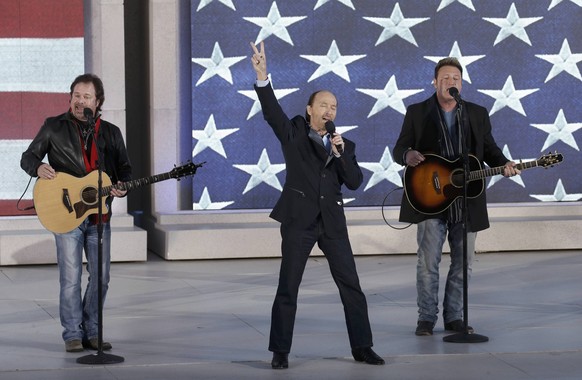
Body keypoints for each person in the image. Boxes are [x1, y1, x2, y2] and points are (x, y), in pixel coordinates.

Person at [250, 41, 384, 369]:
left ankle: (362, 346)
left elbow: (354, 181)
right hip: (299, 219)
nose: (329, 111)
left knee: (351, 285)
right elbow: (272, 113)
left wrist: (339, 154)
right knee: (289, 286)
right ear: (310, 109)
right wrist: (263, 77)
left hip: (332, 222)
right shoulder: (294, 131)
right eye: (323, 104)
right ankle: (280, 351)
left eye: (334, 107)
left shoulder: (344, 143)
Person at [392, 58, 520, 336]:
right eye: (446, 78)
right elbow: (399, 148)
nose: (451, 82)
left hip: (466, 200)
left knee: (464, 263)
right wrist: (407, 155)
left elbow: (489, 150)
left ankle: (454, 318)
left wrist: (506, 163)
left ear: (461, 84)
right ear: (435, 82)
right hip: (429, 198)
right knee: (428, 262)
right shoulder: (417, 111)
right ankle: (426, 318)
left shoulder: (475, 113)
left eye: (456, 79)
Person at [20, 73, 132, 352]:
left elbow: (125, 169)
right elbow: (28, 156)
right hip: (66, 215)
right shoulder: (53, 127)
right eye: (77, 96)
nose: (81, 101)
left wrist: (123, 187)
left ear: (98, 102)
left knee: (101, 277)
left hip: (99, 216)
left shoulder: (111, 132)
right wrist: (37, 167)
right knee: (70, 279)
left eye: (87, 97)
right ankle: (72, 333)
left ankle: (92, 331)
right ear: (70, 98)